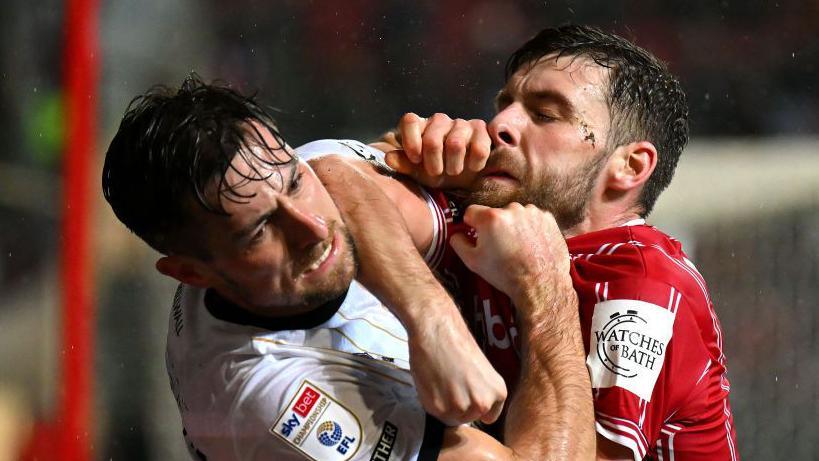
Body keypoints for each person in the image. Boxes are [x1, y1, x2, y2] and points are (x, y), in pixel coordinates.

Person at [101, 77, 595, 460]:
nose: (313, 228)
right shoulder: (272, 403)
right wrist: (545, 289)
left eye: (294, 183)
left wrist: (432, 319)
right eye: (259, 232)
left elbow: (335, 168)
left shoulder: (285, 178)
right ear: (191, 273)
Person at [363, 24, 739, 460]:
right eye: (504, 104)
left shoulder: (645, 286)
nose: (499, 124)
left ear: (630, 166)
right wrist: (395, 160)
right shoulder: (487, 217)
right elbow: (328, 191)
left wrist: (542, 289)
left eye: (544, 115)